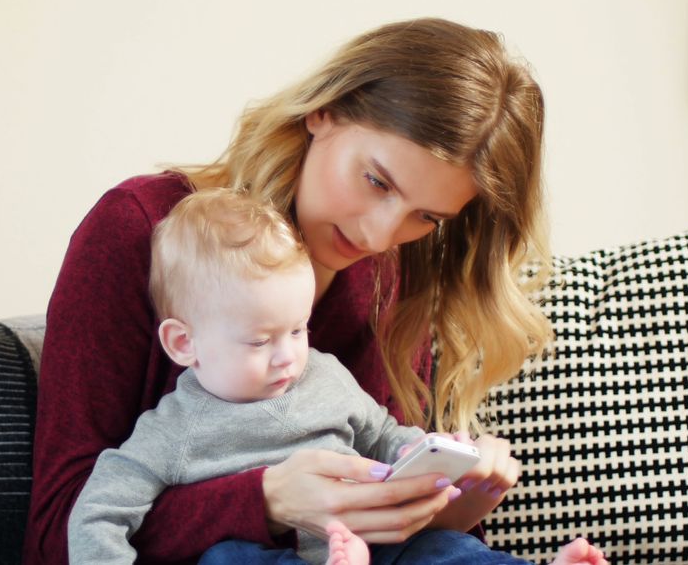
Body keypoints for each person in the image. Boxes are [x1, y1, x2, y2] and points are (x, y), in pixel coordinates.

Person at [24, 17, 579, 563]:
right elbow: (56, 534)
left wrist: (445, 505)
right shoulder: (139, 231)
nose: (379, 235)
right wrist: (264, 501)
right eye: (377, 181)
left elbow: (389, 507)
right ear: (324, 112)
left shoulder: (392, 280)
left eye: (426, 217)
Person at [65, 188, 607, 565]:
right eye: (258, 341)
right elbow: (98, 512)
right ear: (185, 344)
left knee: (447, 554)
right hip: (270, 553)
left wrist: (431, 452)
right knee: (229, 558)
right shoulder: (173, 430)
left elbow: (384, 434)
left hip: (375, 545)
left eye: (298, 330)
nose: (286, 358)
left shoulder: (323, 375)